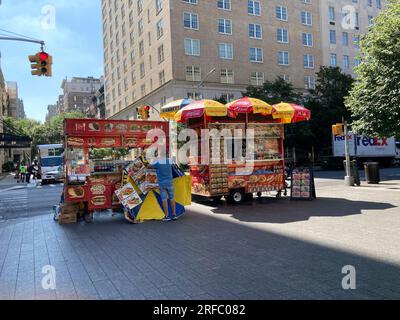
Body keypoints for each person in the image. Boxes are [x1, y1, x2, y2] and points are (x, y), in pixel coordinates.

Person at [150, 157, 177, 222]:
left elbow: (149, 166)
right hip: (170, 182)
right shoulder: (169, 161)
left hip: (162, 183)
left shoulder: (158, 162)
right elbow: (174, 165)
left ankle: (167, 216)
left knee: (164, 199)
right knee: (172, 198)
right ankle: (174, 214)